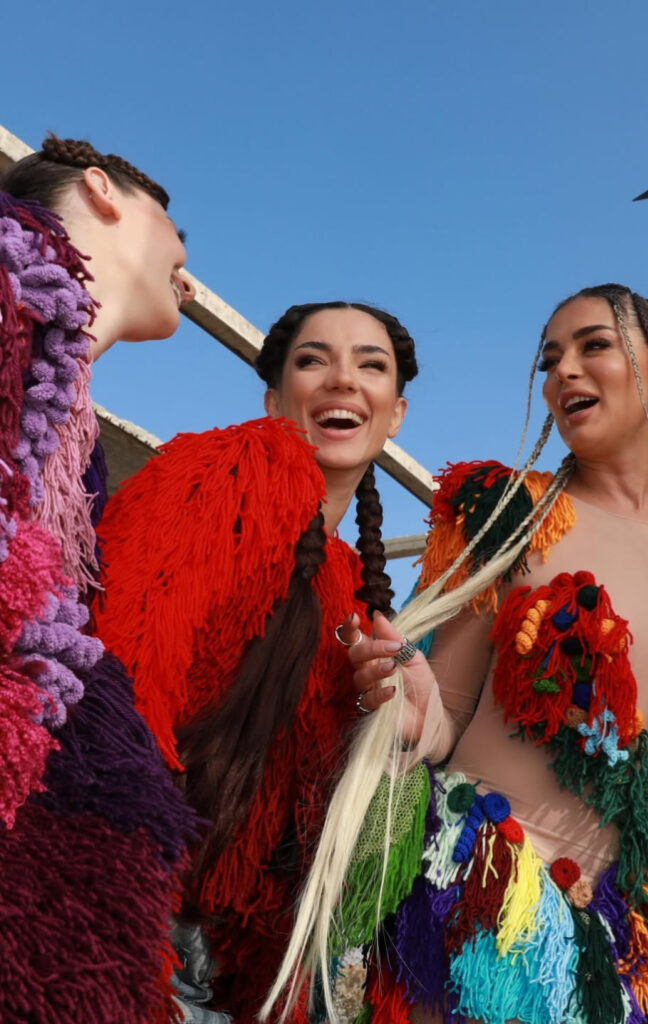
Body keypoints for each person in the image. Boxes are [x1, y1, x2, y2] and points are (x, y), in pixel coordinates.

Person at [269, 284, 648, 1024]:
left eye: (593, 346)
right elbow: (447, 718)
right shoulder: (511, 511)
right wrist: (418, 716)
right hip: (485, 924)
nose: (563, 371)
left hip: (647, 959)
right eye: (550, 359)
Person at [90, 300, 418, 1023]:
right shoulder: (221, 470)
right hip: (130, 906)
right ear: (274, 399)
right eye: (313, 360)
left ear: (395, 414)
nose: (343, 379)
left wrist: (374, 715)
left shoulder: (352, 592)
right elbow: (113, 676)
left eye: (370, 366)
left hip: (232, 954)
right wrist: (114, 891)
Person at [0, 135, 198, 1023]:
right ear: (101, 191)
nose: (188, 269)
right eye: (177, 232)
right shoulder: (9, 288)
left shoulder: (77, 443)